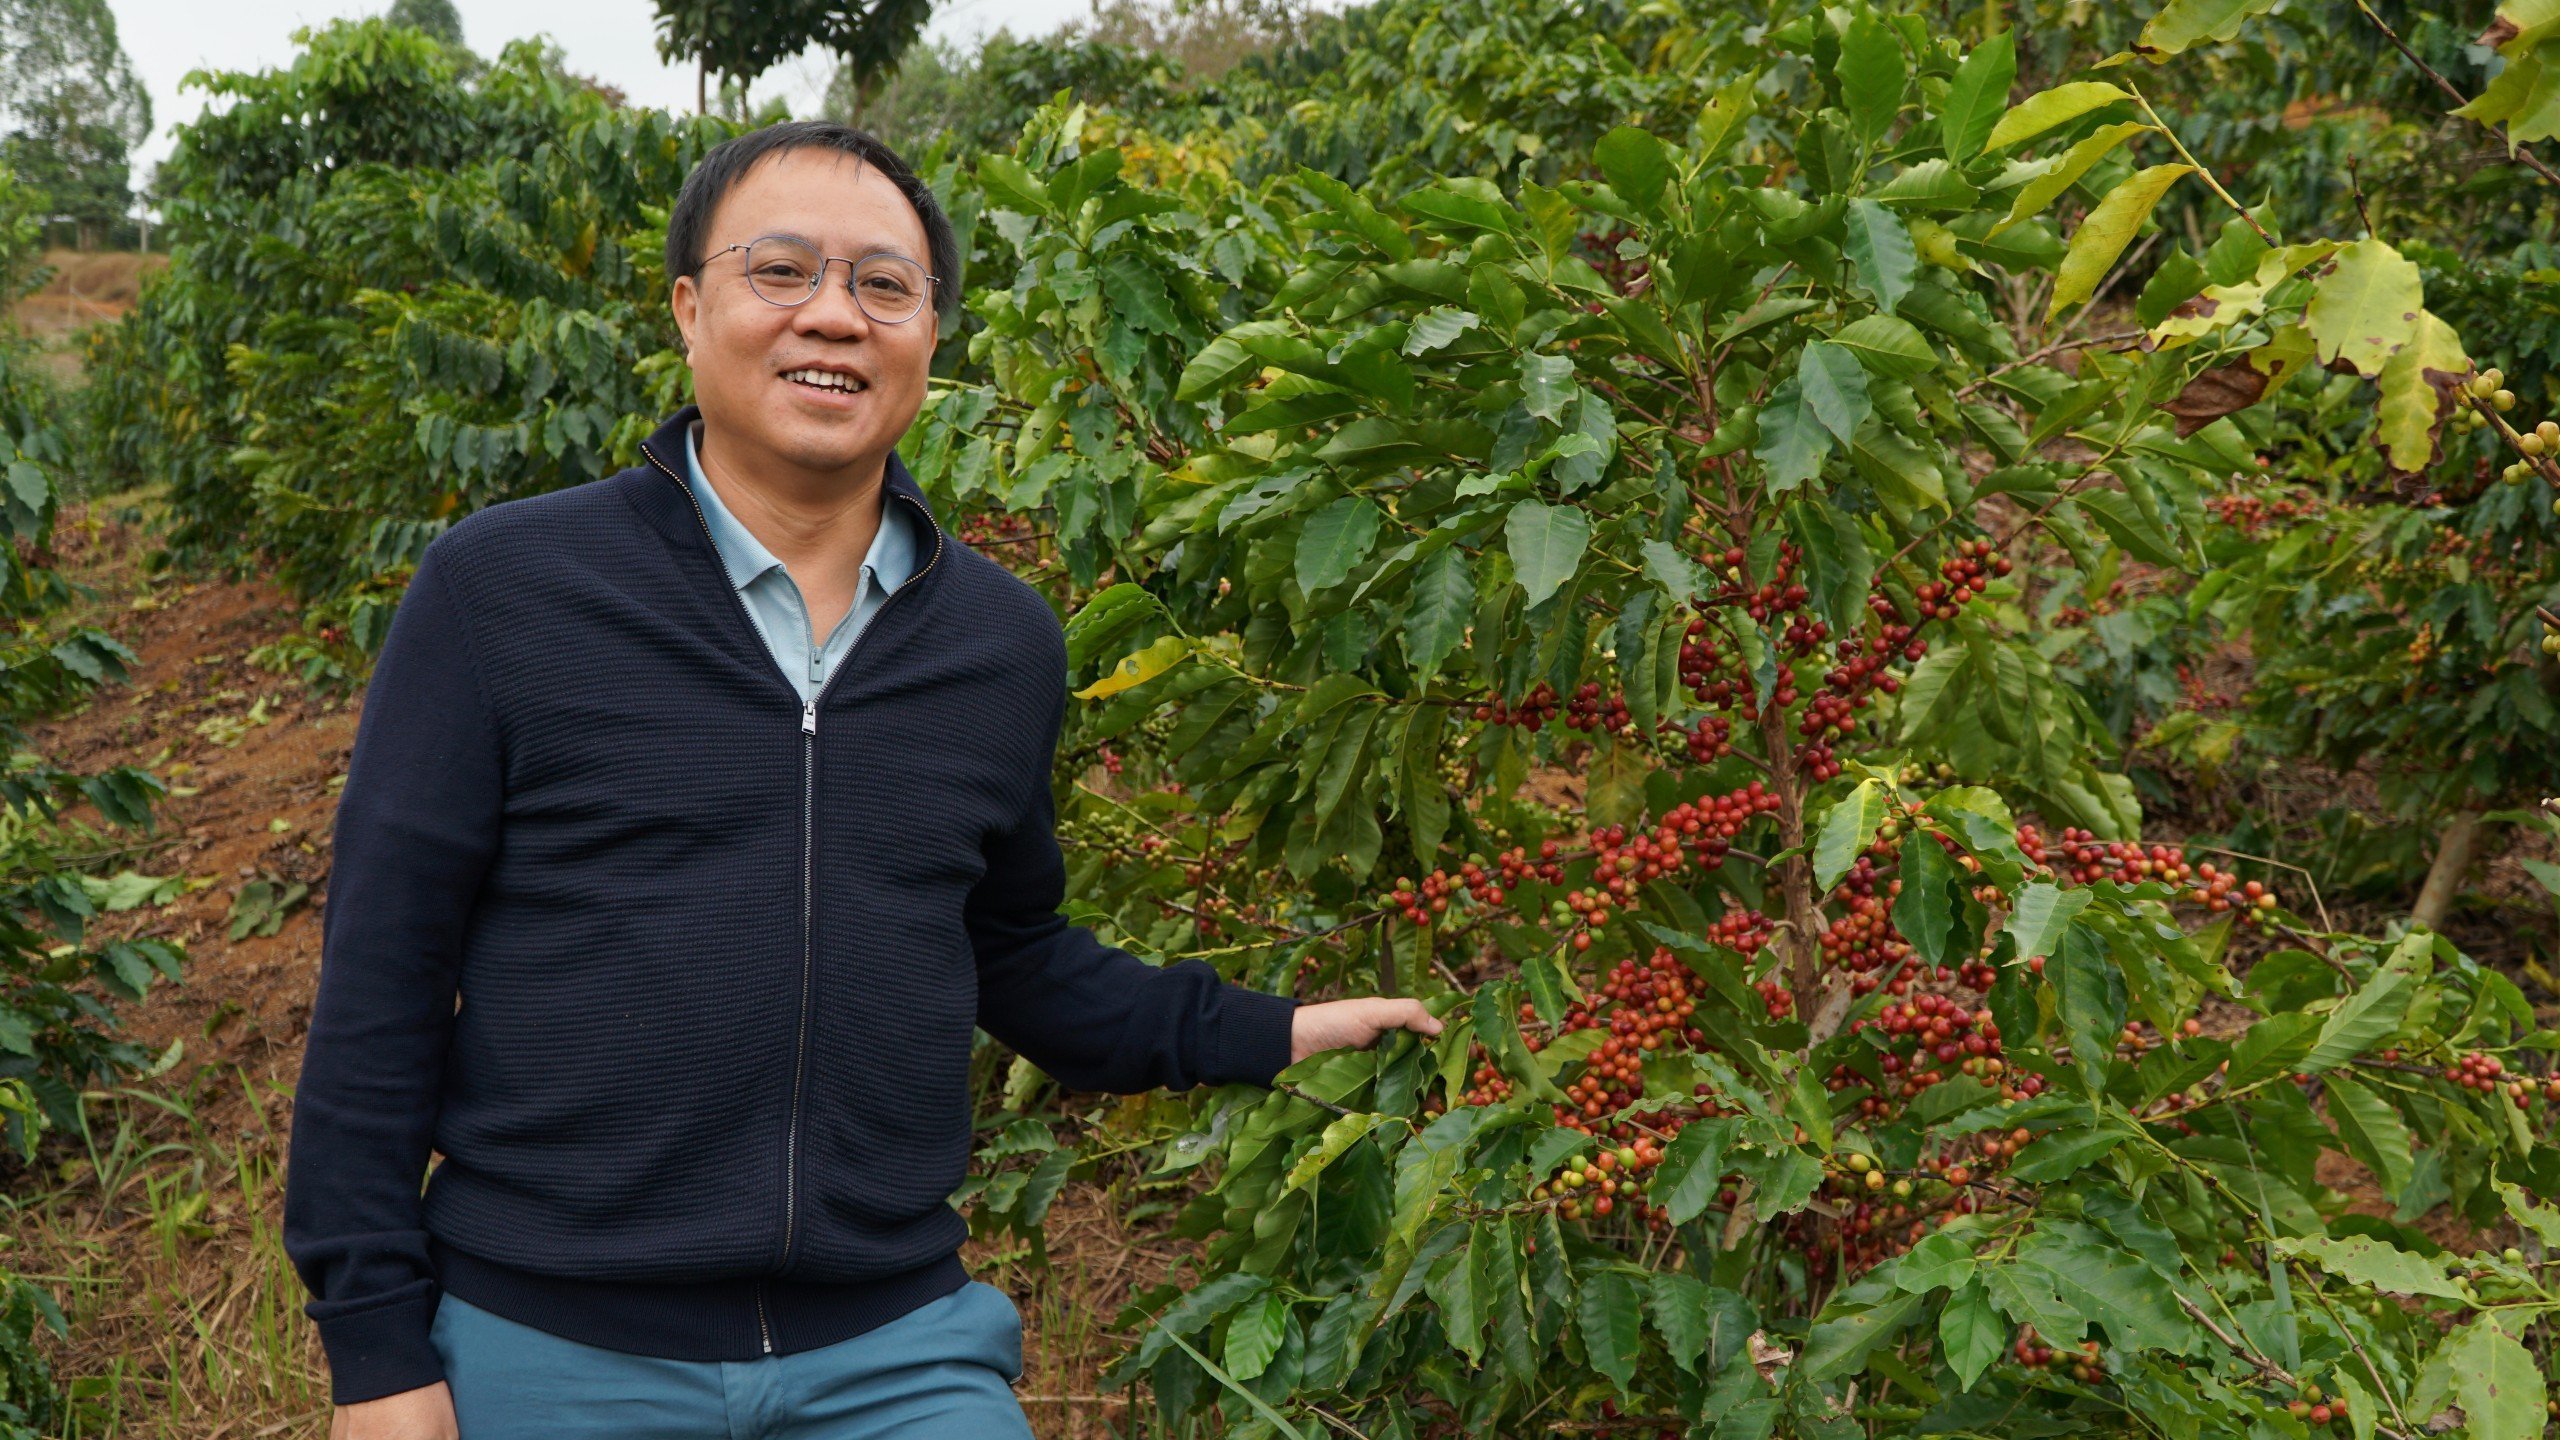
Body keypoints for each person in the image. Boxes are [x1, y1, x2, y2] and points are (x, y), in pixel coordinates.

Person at [284, 119, 1441, 1440]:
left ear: (932, 338)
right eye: (781, 272)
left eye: (884, 286)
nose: (833, 316)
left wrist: (1271, 1031)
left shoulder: (999, 645)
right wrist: (376, 1353)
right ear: (688, 308)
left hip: (892, 1355)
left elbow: (1015, 956)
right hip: (553, 1341)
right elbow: (381, 979)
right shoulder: (507, 595)